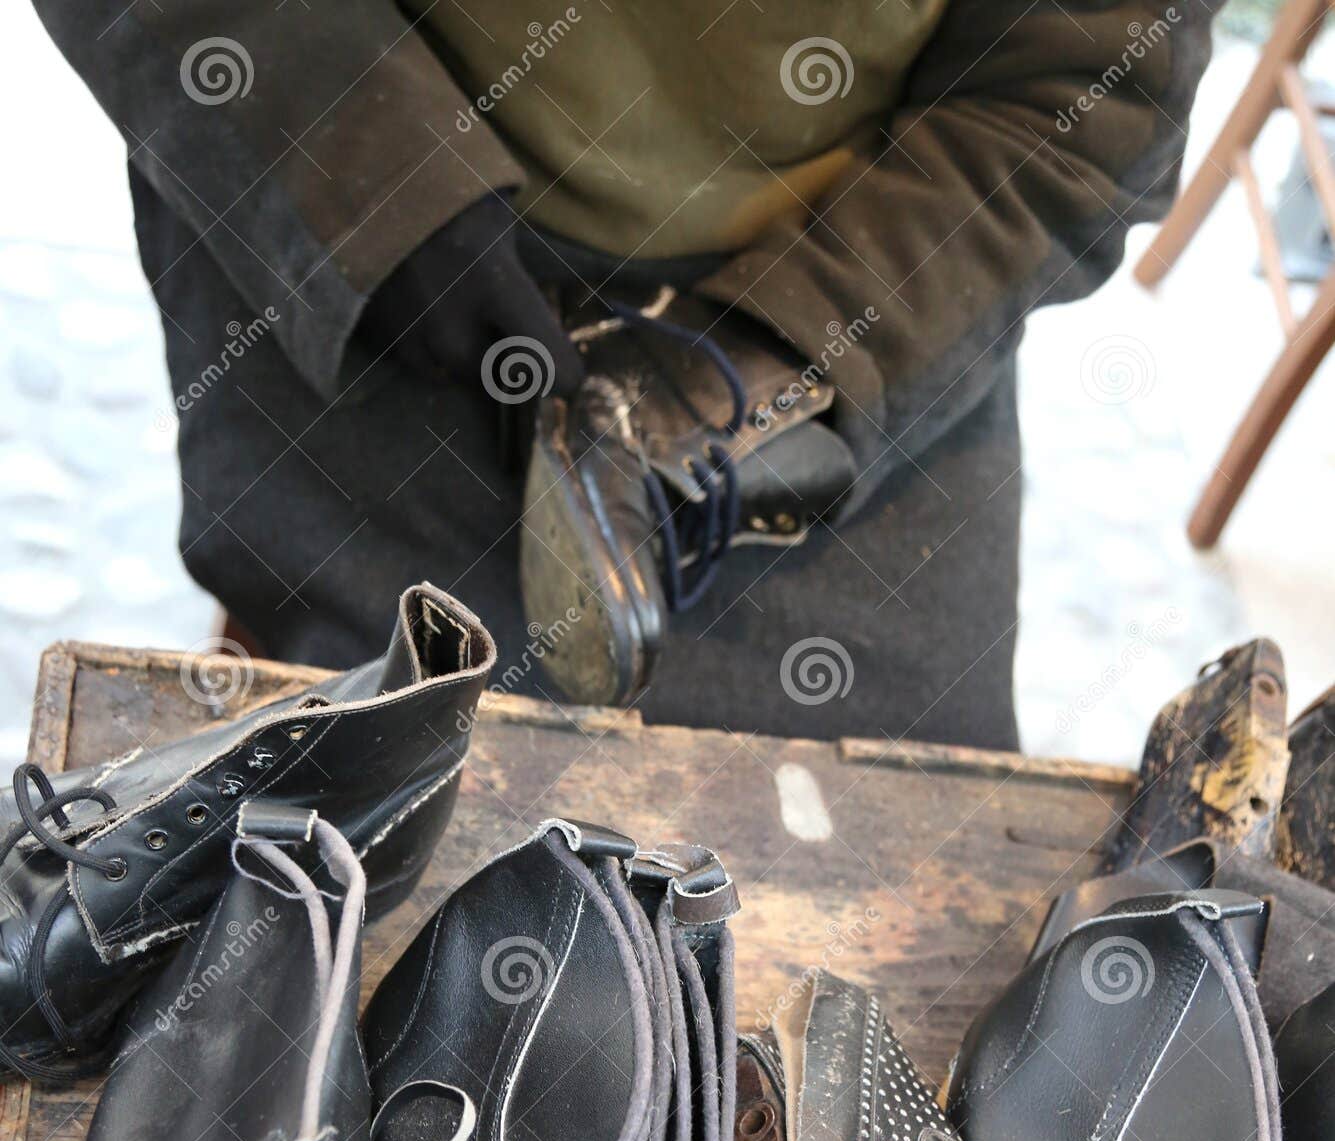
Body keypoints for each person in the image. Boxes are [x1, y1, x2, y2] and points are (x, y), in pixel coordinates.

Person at [33, 1, 1219, 747]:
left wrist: (774, 364)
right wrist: (367, 182)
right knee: (359, 803)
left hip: (864, 275)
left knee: (889, 841)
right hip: (376, 182)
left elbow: (1093, 81)